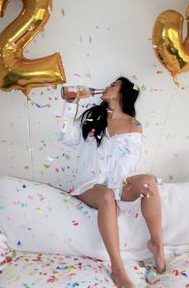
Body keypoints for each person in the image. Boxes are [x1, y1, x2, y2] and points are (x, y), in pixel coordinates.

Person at [60, 77, 165, 288]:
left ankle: (157, 246)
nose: (108, 86)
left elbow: (129, 160)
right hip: (88, 183)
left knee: (149, 182)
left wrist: (118, 186)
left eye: (114, 85)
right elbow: (66, 137)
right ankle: (118, 270)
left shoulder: (133, 124)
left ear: (123, 93)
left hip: (117, 182)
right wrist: (70, 104)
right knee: (106, 197)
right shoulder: (92, 116)